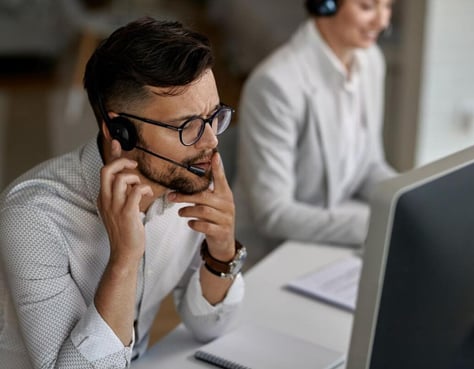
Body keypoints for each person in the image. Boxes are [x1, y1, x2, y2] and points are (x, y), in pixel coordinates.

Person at [0, 17, 246, 368]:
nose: (211, 141)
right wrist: (124, 259)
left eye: (213, 117)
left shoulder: (185, 182)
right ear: (120, 130)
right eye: (186, 126)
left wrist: (222, 252)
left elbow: (208, 327)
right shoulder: (33, 219)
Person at [233, 0, 396, 264]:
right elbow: (273, 213)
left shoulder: (371, 62)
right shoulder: (275, 83)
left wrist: (407, 202)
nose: (383, 22)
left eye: (388, 6)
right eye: (367, 6)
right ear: (325, 5)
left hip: (333, 238)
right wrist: (374, 226)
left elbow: (369, 166)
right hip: (273, 254)